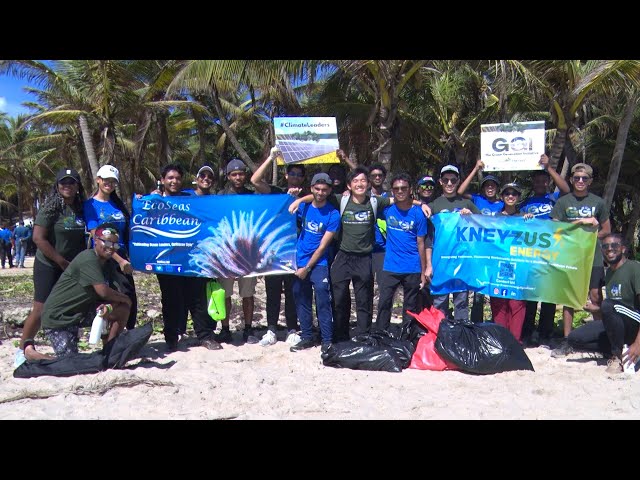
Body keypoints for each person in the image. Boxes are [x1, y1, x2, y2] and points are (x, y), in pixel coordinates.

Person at [17, 168, 87, 363]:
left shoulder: (82, 208)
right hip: (48, 264)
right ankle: (24, 348)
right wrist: (60, 261)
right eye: (63, 182)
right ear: (57, 186)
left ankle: (68, 346)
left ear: (77, 186)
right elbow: (38, 238)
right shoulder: (50, 207)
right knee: (41, 308)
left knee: (68, 306)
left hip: (71, 267)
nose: (67, 186)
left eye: (71, 182)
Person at [40, 224, 132, 357]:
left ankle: (110, 351)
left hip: (80, 312)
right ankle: (38, 357)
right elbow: (103, 292)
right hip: (59, 318)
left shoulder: (108, 264)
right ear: (95, 240)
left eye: (115, 244)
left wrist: (111, 306)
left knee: (122, 309)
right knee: (69, 362)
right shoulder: (88, 258)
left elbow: (112, 293)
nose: (111, 247)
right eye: (106, 242)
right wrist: (126, 299)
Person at [550, 162, 610, 357]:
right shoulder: (563, 202)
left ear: (590, 181)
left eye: (585, 178)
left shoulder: (598, 202)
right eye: (577, 178)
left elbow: (606, 231)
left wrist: (588, 236)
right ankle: (568, 341)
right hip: (570, 256)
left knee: (595, 296)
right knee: (570, 296)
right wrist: (582, 222)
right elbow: (555, 230)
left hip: (593, 256)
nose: (580, 181)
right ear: (571, 180)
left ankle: (600, 336)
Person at [566, 233, 640, 375]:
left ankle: (617, 357)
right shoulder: (610, 273)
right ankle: (621, 348)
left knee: (607, 304)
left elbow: (617, 307)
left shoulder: (634, 268)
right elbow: (614, 311)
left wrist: (638, 344)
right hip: (619, 325)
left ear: (623, 249)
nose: (609, 249)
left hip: (635, 325)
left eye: (614, 246)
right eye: (605, 246)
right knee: (574, 339)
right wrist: (595, 310)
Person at [250, 147, 303, 346]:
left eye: (299, 175)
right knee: (272, 292)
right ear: (286, 175)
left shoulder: (308, 195)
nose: (295, 177)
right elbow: (254, 181)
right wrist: (271, 157)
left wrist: (298, 198)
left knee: (292, 293)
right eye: (292, 174)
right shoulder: (275, 192)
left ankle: (291, 329)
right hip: (274, 251)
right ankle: (271, 329)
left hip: (295, 252)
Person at [520, 153, 570, 347]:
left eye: (544, 180)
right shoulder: (525, 202)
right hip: (531, 255)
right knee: (531, 296)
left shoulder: (556, 199)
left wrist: (549, 167)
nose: (540, 183)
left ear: (548, 182)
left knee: (548, 296)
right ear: (533, 183)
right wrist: (523, 217)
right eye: (537, 180)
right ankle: (528, 332)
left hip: (552, 253)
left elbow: (567, 189)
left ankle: (545, 334)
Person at [83, 164, 138, 331]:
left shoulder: (118, 205)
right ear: (98, 180)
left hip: (121, 255)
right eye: (106, 180)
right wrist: (119, 259)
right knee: (114, 298)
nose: (109, 183)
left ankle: (127, 332)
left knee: (129, 296)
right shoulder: (90, 205)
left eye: (113, 181)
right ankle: (111, 337)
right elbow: (95, 234)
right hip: (105, 257)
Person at [289, 173, 340, 352]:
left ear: (329, 191)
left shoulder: (333, 214)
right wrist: (296, 200)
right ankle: (307, 337)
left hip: (319, 263)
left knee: (322, 300)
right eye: (317, 189)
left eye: (324, 189)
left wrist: (308, 267)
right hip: (299, 260)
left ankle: (326, 339)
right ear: (311, 188)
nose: (320, 192)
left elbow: (322, 246)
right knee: (301, 299)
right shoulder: (304, 208)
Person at [426, 164, 480, 322]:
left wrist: (472, 218)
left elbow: (487, 227)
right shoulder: (434, 205)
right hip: (440, 262)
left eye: (453, 180)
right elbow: (428, 236)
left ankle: (461, 337)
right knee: (440, 302)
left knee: (461, 302)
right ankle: (441, 337)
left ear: (458, 182)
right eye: (446, 180)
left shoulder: (467, 204)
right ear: (440, 182)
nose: (449, 183)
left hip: (462, 263)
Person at [375, 173, 427, 334]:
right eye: (396, 188)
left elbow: (421, 243)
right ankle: (381, 334)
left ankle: (407, 337)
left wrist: (424, 271)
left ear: (410, 189)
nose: (400, 191)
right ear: (392, 191)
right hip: (391, 265)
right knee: (384, 302)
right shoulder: (387, 210)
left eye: (403, 188)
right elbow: (367, 200)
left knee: (410, 306)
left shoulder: (419, 214)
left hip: (412, 266)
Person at [216, 158, 259, 344]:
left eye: (241, 173)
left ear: (245, 175)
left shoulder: (253, 196)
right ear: (228, 176)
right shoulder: (219, 197)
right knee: (225, 294)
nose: (238, 177)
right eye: (234, 174)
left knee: (247, 294)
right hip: (225, 252)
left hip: (248, 253)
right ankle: (225, 329)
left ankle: (248, 329)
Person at [457, 159, 503, 323]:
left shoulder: (503, 204)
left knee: (495, 289)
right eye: (487, 185)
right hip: (477, 250)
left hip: (496, 251)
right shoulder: (476, 200)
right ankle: (476, 323)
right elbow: (460, 191)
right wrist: (476, 168)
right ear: (483, 188)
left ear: (497, 188)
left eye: (493, 185)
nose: (490, 188)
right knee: (477, 289)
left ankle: (495, 323)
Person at [488, 183, 534, 343]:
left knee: (517, 302)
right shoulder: (494, 218)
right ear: (502, 197)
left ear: (518, 197)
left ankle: (515, 341)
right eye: (507, 193)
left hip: (519, 265)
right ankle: (502, 339)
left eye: (514, 194)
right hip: (498, 264)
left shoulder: (525, 218)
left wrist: (531, 222)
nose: (510, 196)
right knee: (498, 302)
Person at [415, 175, 436, 313]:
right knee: (417, 290)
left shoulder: (436, 205)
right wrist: (420, 204)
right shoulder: (412, 204)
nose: (427, 189)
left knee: (429, 291)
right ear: (417, 189)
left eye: (430, 186)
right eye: (424, 186)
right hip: (415, 251)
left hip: (432, 249)